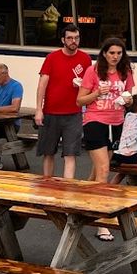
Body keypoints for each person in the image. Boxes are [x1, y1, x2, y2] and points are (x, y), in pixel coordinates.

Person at [77, 38, 135, 238]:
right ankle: (102, 222)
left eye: (119, 53)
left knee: (97, 172)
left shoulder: (126, 71)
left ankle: (81, 204)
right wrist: (96, 93)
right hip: (95, 121)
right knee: (104, 170)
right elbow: (79, 100)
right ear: (104, 53)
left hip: (116, 122)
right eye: (112, 53)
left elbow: (129, 97)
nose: (115, 56)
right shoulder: (92, 71)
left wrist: (128, 100)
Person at [35, 25, 91, 180]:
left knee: (70, 154)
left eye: (76, 38)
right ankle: (47, 185)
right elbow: (42, 84)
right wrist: (39, 109)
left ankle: (67, 191)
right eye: (70, 38)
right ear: (63, 40)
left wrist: (81, 86)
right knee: (48, 152)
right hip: (50, 112)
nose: (74, 41)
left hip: (74, 113)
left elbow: (90, 84)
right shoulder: (52, 58)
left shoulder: (85, 59)